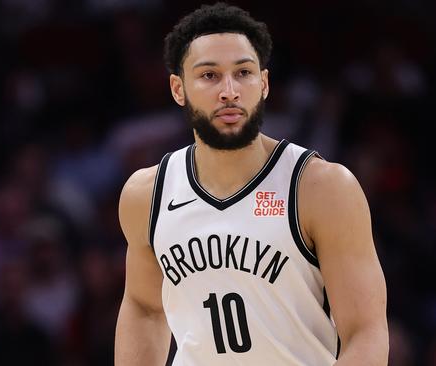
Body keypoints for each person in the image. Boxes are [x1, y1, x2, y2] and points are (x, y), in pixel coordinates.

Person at [114, 3, 388, 365]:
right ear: (178, 89)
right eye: (209, 75)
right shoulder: (147, 194)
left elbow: (365, 334)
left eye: (243, 72)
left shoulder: (321, 188)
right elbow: (144, 308)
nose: (229, 90)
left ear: (264, 83)